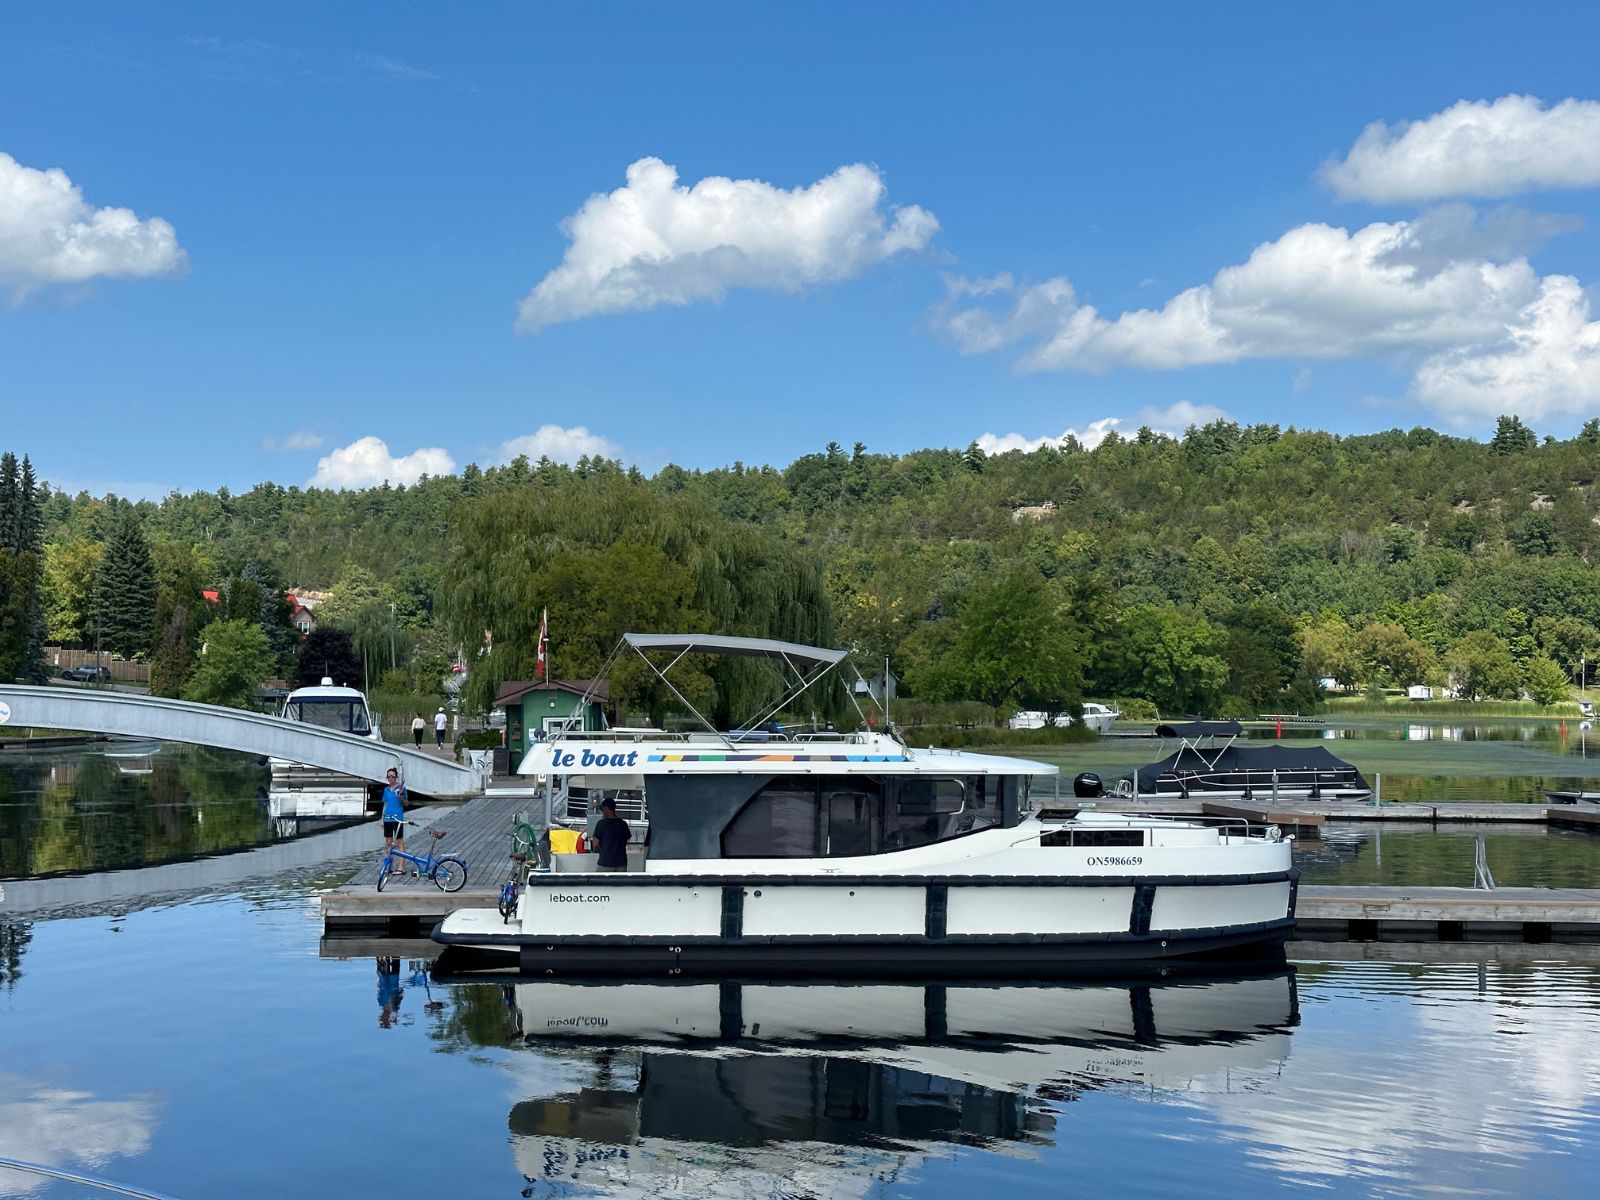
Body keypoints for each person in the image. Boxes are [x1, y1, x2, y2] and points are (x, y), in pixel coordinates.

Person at [591, 798, 630, 872]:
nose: (602, 812)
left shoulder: (601, 824)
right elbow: (625, 841)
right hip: (621, 863)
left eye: (602, 809)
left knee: (598, 883)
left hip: (605, 863)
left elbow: (595, 844)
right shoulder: (623, 824)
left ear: (606, 808)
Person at [381, 767, 407, 868]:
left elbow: (406, 803)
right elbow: (385, 805)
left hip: (397, 819)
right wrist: (382, 819)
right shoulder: (386, 789)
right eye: (389, 777)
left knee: (399, 841)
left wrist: (401, 798)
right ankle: (389, 865)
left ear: (396, 777)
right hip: (387, 818)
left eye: (393, 776)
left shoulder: (401, 788)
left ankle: (401, 867)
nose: (391, 778)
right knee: (388, 842)